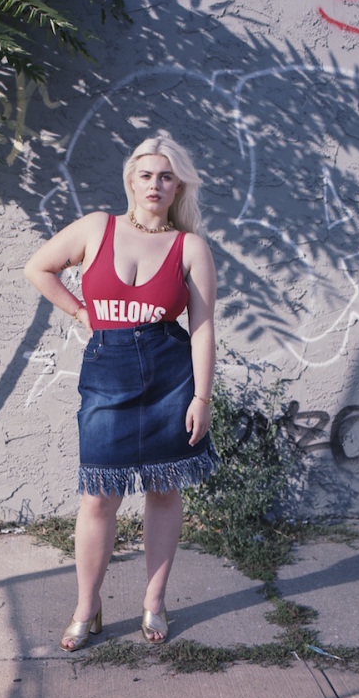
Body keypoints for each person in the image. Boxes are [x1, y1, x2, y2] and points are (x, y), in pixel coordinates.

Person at [24, 133, 219, 651]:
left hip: (169, 375)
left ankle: (154, 602)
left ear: (178, 186)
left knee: (163, 490)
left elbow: (201, 328)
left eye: (166, 176)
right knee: (98, 498)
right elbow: (38, 267)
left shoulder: (190, 246)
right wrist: (81, 312)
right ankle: (86, 607)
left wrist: (202, 397)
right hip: (107, 372)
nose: (155, 184)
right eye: (146, 174)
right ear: (130, 180)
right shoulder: (97, 228)